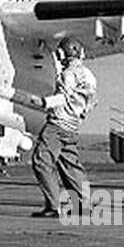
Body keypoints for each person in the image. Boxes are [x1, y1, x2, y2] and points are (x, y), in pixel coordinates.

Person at [29, 36, 98, 217]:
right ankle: (84, 205)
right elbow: (92, 103)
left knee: (41, 161)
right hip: (72, 127)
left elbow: (63, 97)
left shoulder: (67, 74)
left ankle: (53, 206)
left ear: (61, 53)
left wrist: (43, 102)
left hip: (57, 125)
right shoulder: (90, 76)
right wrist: (79, 114)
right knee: (70, 166)